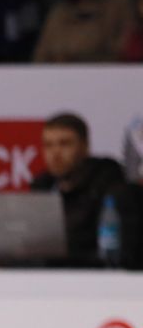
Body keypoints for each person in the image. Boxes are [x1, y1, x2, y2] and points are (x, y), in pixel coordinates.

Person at [30, 113, 137, 269]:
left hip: (93, 274)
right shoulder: (41, 185)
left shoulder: (106, 178)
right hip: (46, 273)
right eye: (48, 145)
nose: (55, 153)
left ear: (84, 146)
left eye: (64, 144)